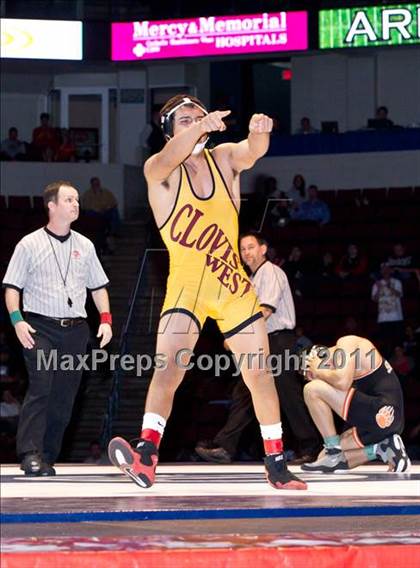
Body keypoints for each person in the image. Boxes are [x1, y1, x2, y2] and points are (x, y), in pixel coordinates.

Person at [108, 94, 307, 490]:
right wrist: (198, 127)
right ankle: (146, 454)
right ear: (170, 131)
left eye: (200, 117)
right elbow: (168, 157)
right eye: (187, 120)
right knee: (168, 369)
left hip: (232, 284)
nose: (199, 122)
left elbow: (252, 152)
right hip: (187, 285)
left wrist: (258, 132)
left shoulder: (223, 159)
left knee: (260, 375)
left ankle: (276, 462)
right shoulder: (159, 169)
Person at [2, 180, 112, 476]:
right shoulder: (29, 243)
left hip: (76, 331)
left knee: (65, 395)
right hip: (39, 328)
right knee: (42, 385)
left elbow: (98, 287)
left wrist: (106, 319)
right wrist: (17, 320)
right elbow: (11, 288)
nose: (76, 204)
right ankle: (29, 452)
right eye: (69, 200)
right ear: (51, 205)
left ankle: (47, 455)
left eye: (77, 200)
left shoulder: (85, 245)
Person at [195, 232, 320, 465]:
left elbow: (265, 311)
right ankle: (225, 446)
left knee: (287, 393)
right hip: (260, 340)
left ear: (263, 249)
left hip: (279, 340)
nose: (246, 253)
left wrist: (237, 336)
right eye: (242, 249)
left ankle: (311, 446)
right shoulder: (251, 280)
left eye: (250, 247)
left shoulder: (271, 272)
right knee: (244, 391)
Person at [298, 336, 410, 473]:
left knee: (311, 389)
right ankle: (382, 449)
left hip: (384, 412)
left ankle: (333, 452)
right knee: (323, 458)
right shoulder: (344, 367)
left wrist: (317, 370)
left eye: (310, 374)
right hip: (381, 420)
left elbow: (342, 382)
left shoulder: (347, 343)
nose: (315, 377)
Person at [371, 264, 404, 357]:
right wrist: (378, 289)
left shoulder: (397, 282)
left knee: (397, 342)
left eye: (387, 269)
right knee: (385, 343)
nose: (385, 271)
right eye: (383, 269)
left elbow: (399, 294)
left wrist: (389, 286)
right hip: (383, 318)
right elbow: (375, 299)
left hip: (396, 317)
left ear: (390, 271)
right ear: (381, 271)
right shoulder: (377, 284)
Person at [82, 177, 121, 252]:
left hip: (105, 211)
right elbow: (85, 206)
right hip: (94, 213)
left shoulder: (106, 192)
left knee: (114, 212)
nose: (96, 185)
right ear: (91, 185)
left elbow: (114, 202)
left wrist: (107, 207)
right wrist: (96, 209)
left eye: (97, 183)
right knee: (91, 215)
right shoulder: (87, 194)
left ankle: (114, 231)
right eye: (94, 184)